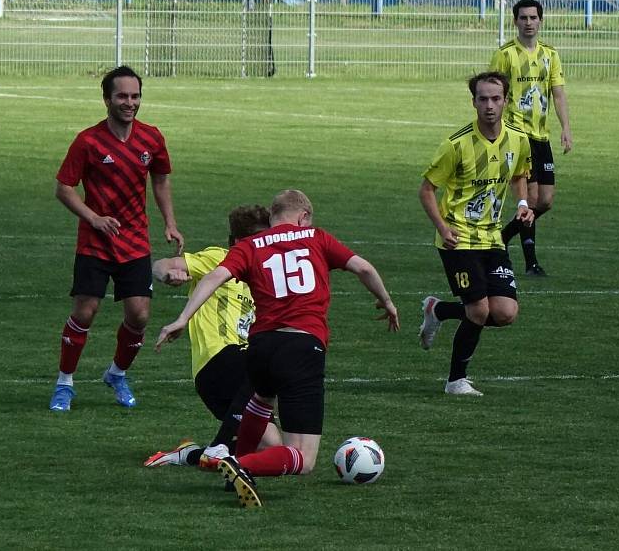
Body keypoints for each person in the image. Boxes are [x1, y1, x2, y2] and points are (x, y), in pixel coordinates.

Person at [155, 189, 399, 508]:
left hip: (260, 346)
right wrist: (388, 302)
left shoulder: (251, 245)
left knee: (261, 399)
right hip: (301, 346)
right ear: (304, 216)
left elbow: (215, 276)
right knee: (303, 457)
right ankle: (241, 464)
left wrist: (182, 318)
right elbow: (364, 268)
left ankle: (236, 463)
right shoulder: (317, 237)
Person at [49, 65, 184, 412]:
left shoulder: (151, 138)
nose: (130, 102)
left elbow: (161, 179)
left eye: (135, 96)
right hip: (95, 242)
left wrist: (169, 222)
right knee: (86, 311)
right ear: (107, 99)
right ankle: (65, 383)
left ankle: (117, 374)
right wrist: (93, 218)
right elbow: (64, 188)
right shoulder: (88, 141)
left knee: (139, 316)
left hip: (135, 240)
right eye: (122, 96)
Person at [417, 71, 534, 396]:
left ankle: (438, 310)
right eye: (483, 99)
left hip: (492, 239)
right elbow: (426, 190)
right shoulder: (456, 145)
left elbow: (519, 174)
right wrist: (442, 226)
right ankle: (456, 380)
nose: (489, 105)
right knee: (479, 310)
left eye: (496, 98)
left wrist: (522, 202)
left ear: (506, 101)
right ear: (474, 102)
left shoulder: (517, 140)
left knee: (505, 312)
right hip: (458, 240)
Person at [143, 205, 282, 469]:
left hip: (240, 381)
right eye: (263, 238)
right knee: (268, 362)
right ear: (242, 242)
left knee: (271, 445)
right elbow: (161, 265)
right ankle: (219, 446)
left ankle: (191, 454)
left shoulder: (264, 273)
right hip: (218, 360)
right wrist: (169, 274)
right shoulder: (219, 258)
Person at [490, 0, 572, 276]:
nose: (528, 23)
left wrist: (566, 128)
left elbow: (558, 94)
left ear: (540, 21)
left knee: (544, 201)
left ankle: (500, 239)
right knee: (530, 197)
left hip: (541, 136)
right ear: (515, 22)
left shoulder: (550, 55)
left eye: (533, 18)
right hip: (516, 135)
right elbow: (494, 93)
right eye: (523, 18)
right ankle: (531, 263)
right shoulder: (505, 55)